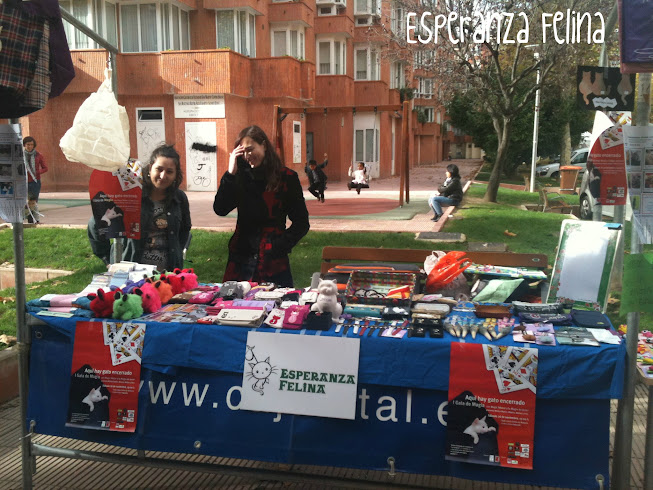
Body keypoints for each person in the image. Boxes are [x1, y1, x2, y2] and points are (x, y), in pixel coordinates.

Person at [214, 125, 309, 287]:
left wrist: (280, 245)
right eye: (242, 152)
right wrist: (230, 174)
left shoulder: (286, 178)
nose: (247, 155)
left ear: (264, 145)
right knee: (235, 306)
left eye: (250, 149)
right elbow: (221, 208)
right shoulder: (240, 176)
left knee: (276, 307)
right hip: (241, 258)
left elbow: (302, 222)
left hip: (272, 261)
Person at [88, 144, 192, 271]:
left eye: (169, 171)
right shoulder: (131, 194)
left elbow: (185, 229)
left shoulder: (179, 198)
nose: (163, 175)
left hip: (168, 275)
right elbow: (96, 224)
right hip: (132, 276)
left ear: (176, 175)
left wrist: (175, 251)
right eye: (159, 169)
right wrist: (107, 258)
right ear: (149, 169)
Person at [23, 136, 48, 223]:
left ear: (34, 145)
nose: (29, 146)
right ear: (24, 145)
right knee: (24, 202)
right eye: (27, 144)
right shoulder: (20, 155)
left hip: (35, 182)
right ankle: (25, 218)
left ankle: (34, 220)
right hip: (23, 182)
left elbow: (45, 168)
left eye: (31, 145)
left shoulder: (38, 155)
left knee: (33, 201)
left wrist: (37, 172)